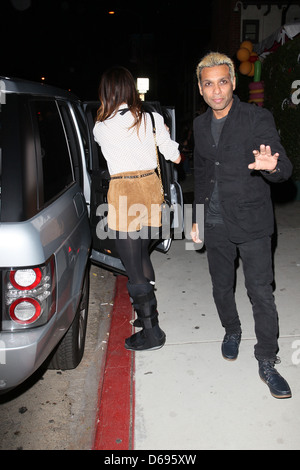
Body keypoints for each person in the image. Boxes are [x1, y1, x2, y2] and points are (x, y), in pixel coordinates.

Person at [191, 52, 293, 399]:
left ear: (234, 83)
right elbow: (201, 173)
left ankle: (267, 358)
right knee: (221, 287)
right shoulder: (199, 125)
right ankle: (231, 331)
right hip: (216, 222)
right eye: (209, 84)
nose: (216, 90)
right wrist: (196, 218)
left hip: (252, 222)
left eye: (223, 81)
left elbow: (283, 166)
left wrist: (271, 166)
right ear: (201, 89)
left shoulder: (256, 117)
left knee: (260, 294)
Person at [93, 66, 181, 352]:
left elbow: (105, 148)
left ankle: (152, 333)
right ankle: (147, 319)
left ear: (108, 91)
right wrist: (164, 132)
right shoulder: (153, 119)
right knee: (142, 253)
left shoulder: (101, 127)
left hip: (124, 194)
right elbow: (175, 157)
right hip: (149, 191)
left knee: (134, 269)